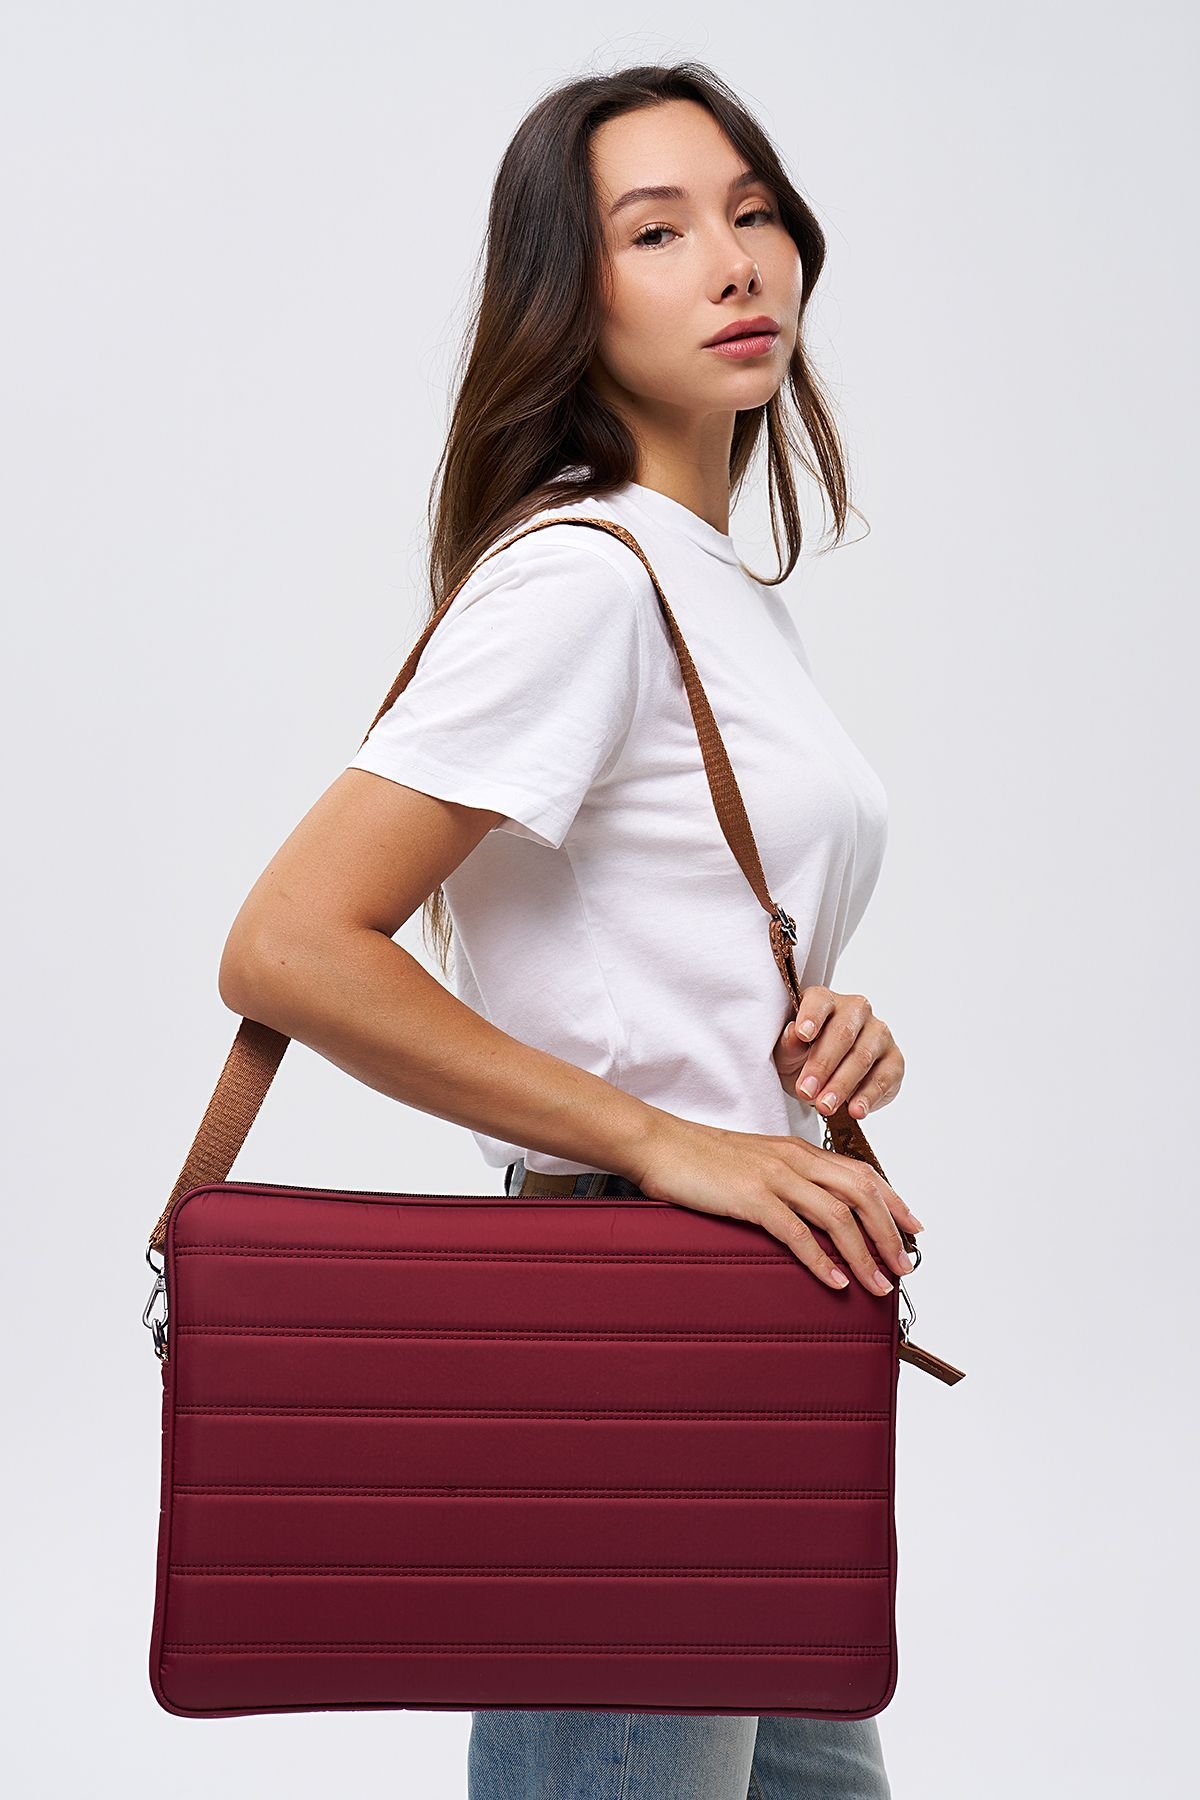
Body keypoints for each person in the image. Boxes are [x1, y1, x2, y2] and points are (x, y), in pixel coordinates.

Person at [218, 58, 922, 1800]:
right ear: (569, 293)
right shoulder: (583, 578)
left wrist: (818, 1038)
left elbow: (652, 944)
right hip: (637, 1333)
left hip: (757, 1326)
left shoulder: (710, 588)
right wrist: (665, 1139)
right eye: (658, 231)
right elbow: (290, 943)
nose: (734, 262)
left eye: (752, 214)